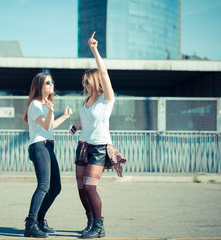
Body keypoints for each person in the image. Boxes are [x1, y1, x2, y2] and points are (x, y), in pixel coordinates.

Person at [70, 32, 126, 239]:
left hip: (99, 147)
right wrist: (76, 127)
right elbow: (86, 123)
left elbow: (104, 72)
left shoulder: (106, 99)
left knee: (90, 186)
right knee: (80, 188)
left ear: (95, 81)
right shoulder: (85, 102)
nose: (84, 85)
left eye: (87, 81)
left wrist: (94, 49)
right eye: (83, 82)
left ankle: (99, 226)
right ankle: (91, 221)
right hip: (83, 145)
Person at [23, 72, 73, 238]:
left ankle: (39, 219)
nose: (51, 85)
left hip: (48, 146)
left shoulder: (45, 105)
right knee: (44, 186)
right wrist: (51, 110)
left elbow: (50, 126)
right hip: (39, 146)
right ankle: (30, 224)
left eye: (52, 82)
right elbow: (45, 126)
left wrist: (65, 116)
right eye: (47, 83)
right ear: (40, 86)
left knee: (56, 187)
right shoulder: (35, 105)